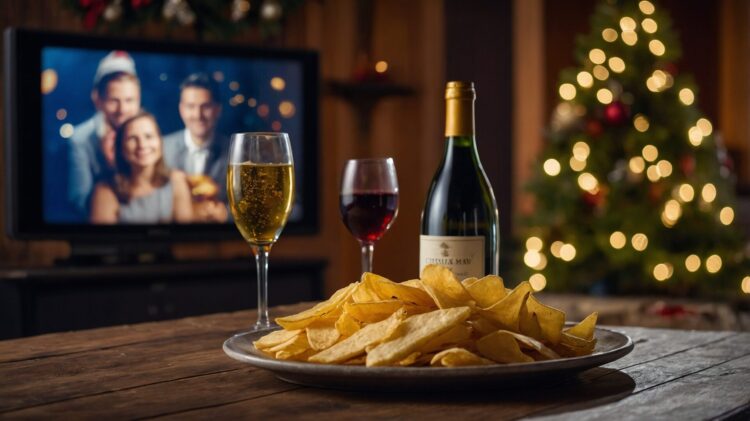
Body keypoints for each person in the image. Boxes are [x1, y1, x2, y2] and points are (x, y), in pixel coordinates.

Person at [68, 51, 141, 221]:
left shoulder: (148, 132)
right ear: (97, 99)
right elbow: (79, 201)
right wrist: (110, 170)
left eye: (130, 100)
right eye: (114, 100)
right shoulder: (80, 139)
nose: (122, 110)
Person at [89, 111, 194, 224]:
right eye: (132, 138)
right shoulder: (105, 191)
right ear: (121, 148)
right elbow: (102, 240)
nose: (142, 145)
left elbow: (186, 235)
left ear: (160, 141)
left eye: (149, 137)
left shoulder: (176, 180)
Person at [163, 72, 229, 222]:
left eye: (205, 106)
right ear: (181, 109)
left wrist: (225, 214)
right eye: (190, 106)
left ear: (217, 109)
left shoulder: (237, 153)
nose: (197, 115)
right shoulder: (160, 149)